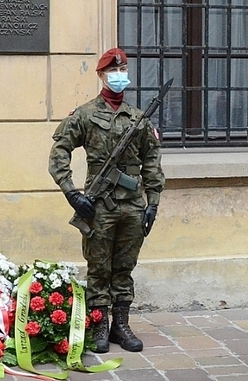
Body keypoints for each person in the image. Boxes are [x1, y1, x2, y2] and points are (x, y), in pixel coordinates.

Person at [48, 48, 165, 353]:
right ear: (101, 75)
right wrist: (72, 193)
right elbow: (59, 153)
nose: (118, 76)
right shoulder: (85, 115)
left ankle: (121, 326)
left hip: (132, 206)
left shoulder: (138, 118)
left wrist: (152, 201)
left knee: (124, 267)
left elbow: (151, 161)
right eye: (112, 71)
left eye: (122, 70)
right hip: (97, 206)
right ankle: (99, 324)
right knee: (99, 268)